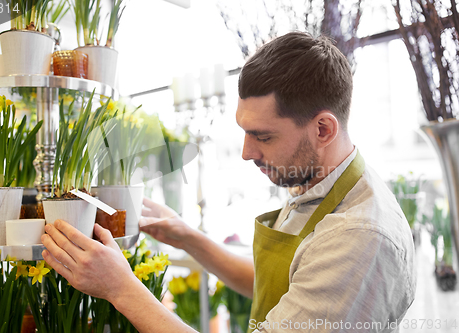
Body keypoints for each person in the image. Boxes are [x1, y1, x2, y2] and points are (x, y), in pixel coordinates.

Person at [42, 31, 416, 333]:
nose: (246, 152)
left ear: (323, 129)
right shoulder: (314, 185)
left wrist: (120, 288)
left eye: (263, 136)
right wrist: (187, 236)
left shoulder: (359, 236)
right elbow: (286, 288)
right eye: (244, 133)